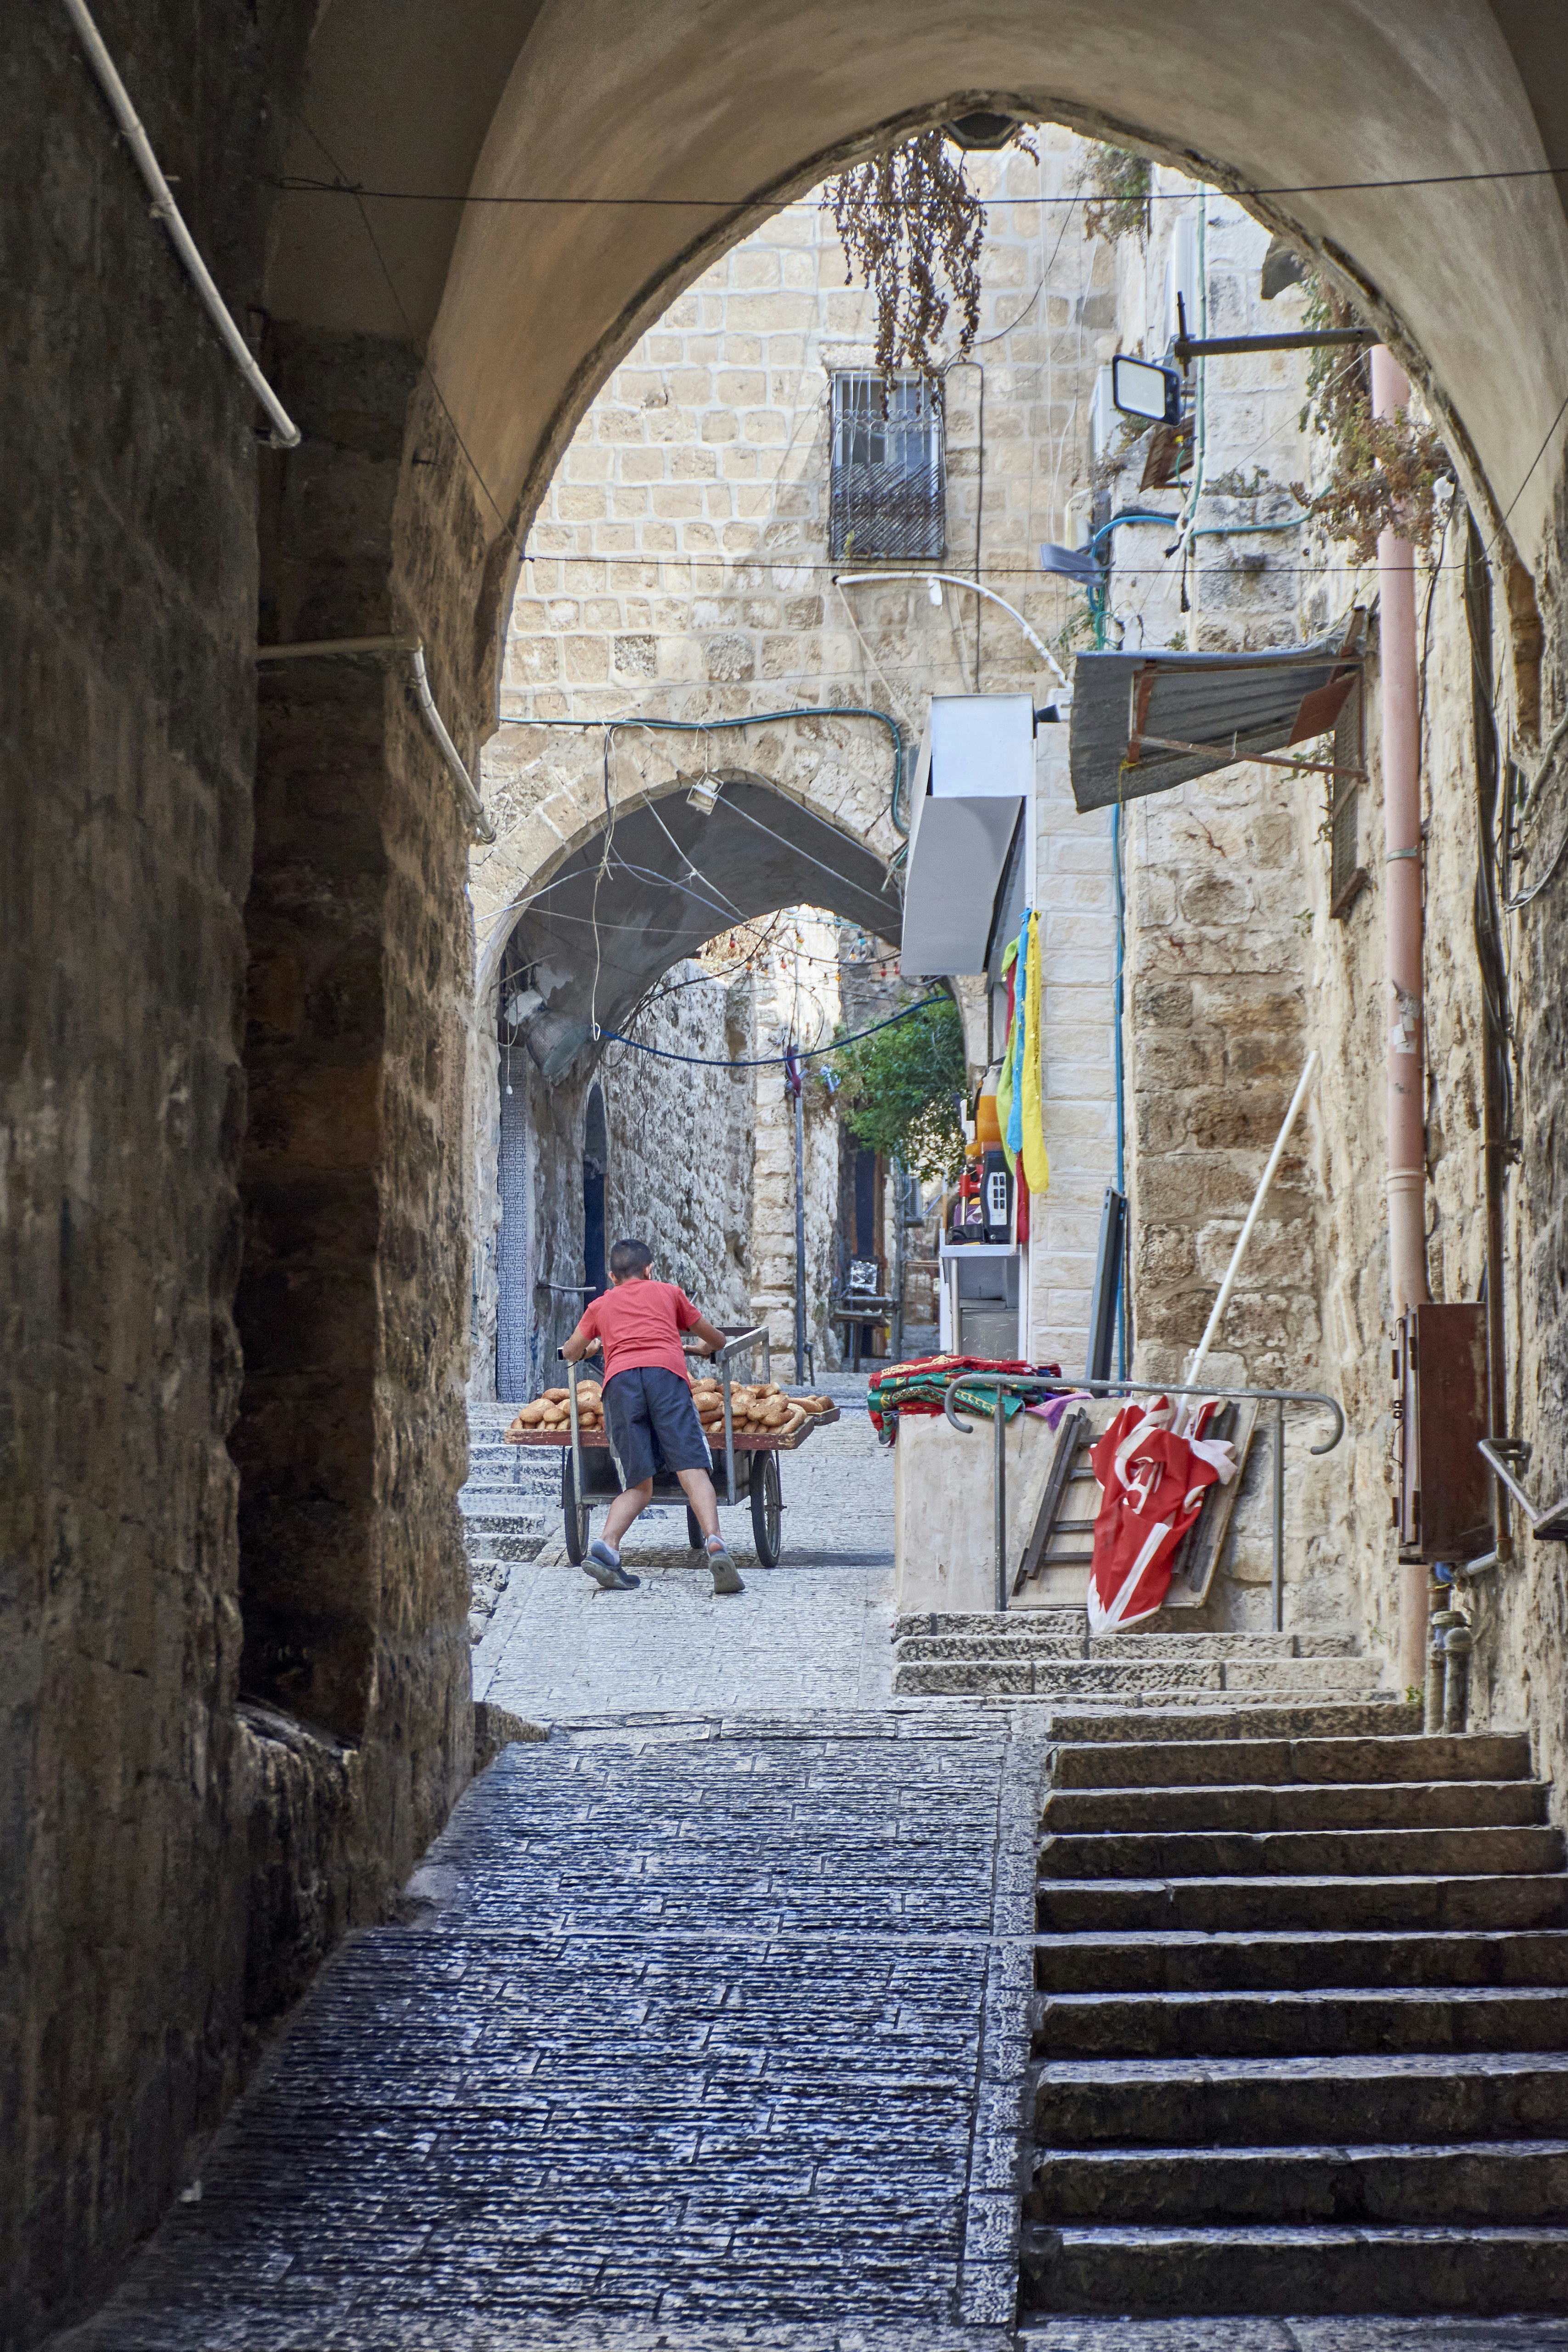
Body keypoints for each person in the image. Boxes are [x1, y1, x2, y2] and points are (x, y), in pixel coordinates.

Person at [561, 1237, 745, 1596]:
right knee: (692, 1469)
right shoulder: (671, 1293)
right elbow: (717, 1340)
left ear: (612, 1276)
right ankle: (716, 1543)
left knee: (639, 1486)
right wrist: (705, 1346)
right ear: (649, 1269)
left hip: (621, 1386)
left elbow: (571, 1350)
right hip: (666, 1377)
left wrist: (595, 1346)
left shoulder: (600, 1305)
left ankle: (608, 1545)